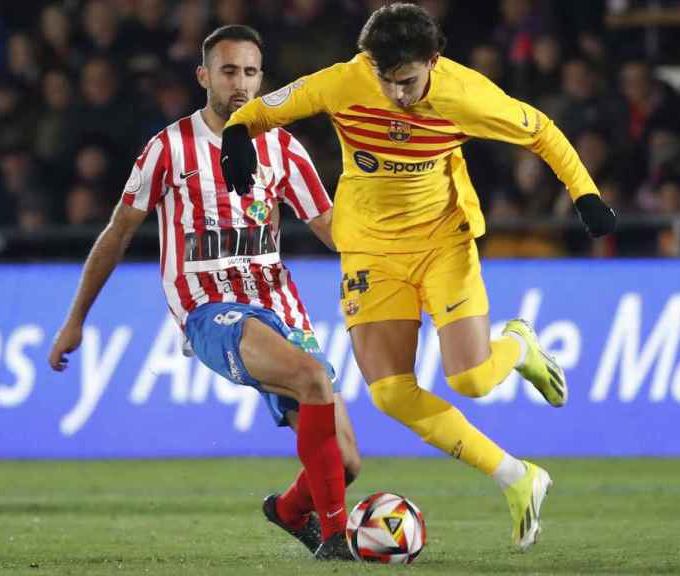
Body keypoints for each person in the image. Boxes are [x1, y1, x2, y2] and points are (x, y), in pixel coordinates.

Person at [219, 3, 615, 550]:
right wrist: (237, 135)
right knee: (391, 394)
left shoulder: (465, 95)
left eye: (407, 81)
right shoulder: (346, 80)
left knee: (472, 379)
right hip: (370, 253)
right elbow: (263, 110)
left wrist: (586, 194)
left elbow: (541, 131)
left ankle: (518, 346)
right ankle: (516, 476)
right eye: (387, 81)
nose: (398, 95)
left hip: (441, 242)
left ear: (433, 60)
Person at [47, 25, 360, 561]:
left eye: (251, 73)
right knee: (312, 379)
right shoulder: (167, 148)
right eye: (229, 71)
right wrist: (76, 319)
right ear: (204, 76)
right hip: (211, 311)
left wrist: (389, 258)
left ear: (263, 79)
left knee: (347, 463)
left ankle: (288, 511)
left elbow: (332, 228)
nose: (241, 84)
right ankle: (337, 542)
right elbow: (118, 232)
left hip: (282, 310)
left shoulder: (282, 146)